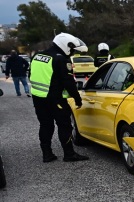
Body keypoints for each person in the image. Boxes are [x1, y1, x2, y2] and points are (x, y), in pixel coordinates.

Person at [29, 32, 89, 162]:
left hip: (38, 98)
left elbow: (31, 75)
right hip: (55, 99)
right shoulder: (60, 59)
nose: (72, 53)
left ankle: (47, 154)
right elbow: (69, 82)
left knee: (45, 125)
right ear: (66, 45)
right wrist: (77, 99)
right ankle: (69, 154)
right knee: (65, 125)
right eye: (72, 50)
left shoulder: (37, 56)